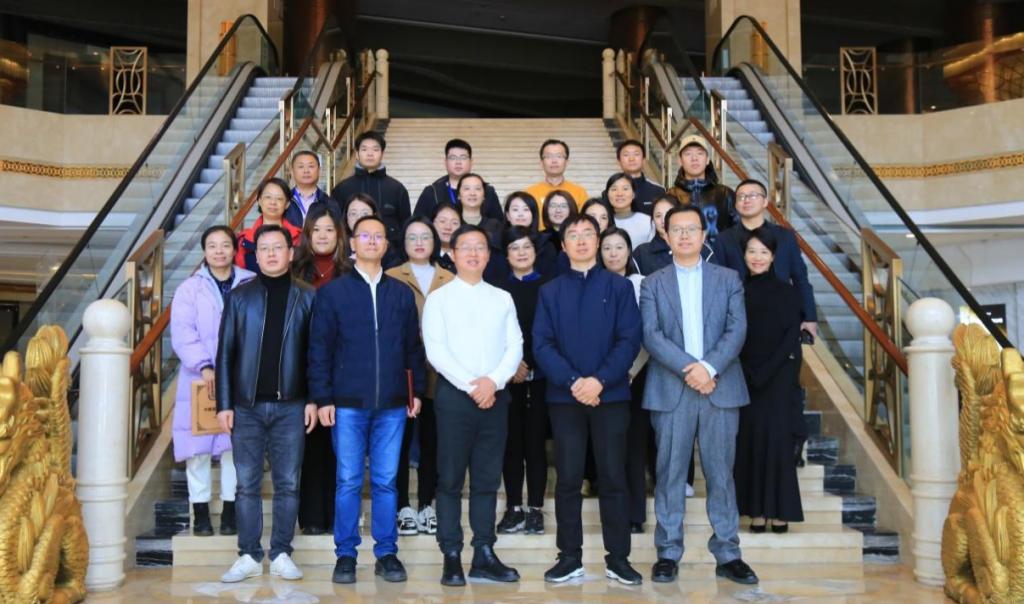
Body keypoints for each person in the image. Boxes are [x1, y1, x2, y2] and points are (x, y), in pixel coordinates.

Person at [640, 206, 757, 585]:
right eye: (677, 229)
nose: (685, 235)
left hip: (719, 387)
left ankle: (728, 552)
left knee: (721, 474)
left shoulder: (728, 278)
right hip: (672, 389)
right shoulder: (652, 283)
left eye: (692, 229)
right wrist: (691, 369)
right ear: (666, 235)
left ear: (705, 234)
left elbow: (737, 329)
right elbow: (651, 335)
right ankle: (668, 552)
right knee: (669, 473)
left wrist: (709, 368)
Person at [308, 215, 427, 585]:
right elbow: (319, 350)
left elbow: (412, 348)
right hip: (346, 405)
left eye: (379, 236)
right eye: (365, 236)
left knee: (386, 481)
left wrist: (415, 392)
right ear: (353, 244)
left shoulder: (400, 294)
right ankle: (345, 554)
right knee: (347, 480)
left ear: (386, 245)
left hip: (393, 404)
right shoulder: (333, 293)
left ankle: (386, 553)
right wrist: (323, 398)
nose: (372, 241)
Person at [533, 214, 643, 585]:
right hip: (564, 400)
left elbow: (629, 340)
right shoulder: (550, 291)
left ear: (597, 241)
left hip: (610, 397)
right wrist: (574, 382)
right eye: (573, 235)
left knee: (613, 477)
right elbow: (542, 345)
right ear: (563, 245)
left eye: (587, 234)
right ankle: (569, 557)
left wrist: (598, 381)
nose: (580, 241)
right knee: (567, 479)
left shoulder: (619, 287)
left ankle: (619, 559)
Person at [422, 225, 524, 587]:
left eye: (480, 247)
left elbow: (515, 345)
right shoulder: (439, 299)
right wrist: (472, 385)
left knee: (486, 479)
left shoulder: (502, 298)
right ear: (452, 253)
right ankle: (451, 554)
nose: (473, 253)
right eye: (466, 247)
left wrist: (492, 382)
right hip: (454, 398)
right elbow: (436, 351)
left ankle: (484, 553)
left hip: (495, 397)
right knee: (450, 479)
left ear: (489, 255)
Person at [216, 224, 317, 584]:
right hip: (246, 407)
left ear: (290, 253)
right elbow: (225, 354)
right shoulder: (239, 298)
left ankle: (281, 553)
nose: (271, 254)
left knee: (288, 482)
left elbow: (316, 354)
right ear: (255, 256)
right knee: (246, 484)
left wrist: (314, 399)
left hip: (292, 405)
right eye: (264, 248)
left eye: (278, 247)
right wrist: (224, 404)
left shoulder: (308, 296)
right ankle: (248, 554)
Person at [171, 226, 255, 538]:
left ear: (235, 249)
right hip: (198, 379)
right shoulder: (189, 288)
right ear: (204, 251)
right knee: (198, 451)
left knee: (235, 447)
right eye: (212, 246)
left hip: (240, 378)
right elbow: (183, 332)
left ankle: (231, 511)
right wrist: (205, 366)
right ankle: (201, 513)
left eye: (225, 245)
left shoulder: (250, 282)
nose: (219, 251)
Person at [386, 217, 456, 537]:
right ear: (403, 243)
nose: (418, 243)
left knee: (433, 442)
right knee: (399, 443)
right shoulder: (391, 276)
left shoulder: (450, 279)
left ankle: (428, 504)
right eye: (412, 237)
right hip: (402, 373)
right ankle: (402, 505)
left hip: (441, 374)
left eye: (425, 237)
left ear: (435, 242)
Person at [733, 226, 805, 534]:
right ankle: (756, 511)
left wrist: (765, 371)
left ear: (773, 256)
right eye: (752, 251)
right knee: (750, 442)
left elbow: (791, 336)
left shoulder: (787, 291)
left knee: (777, 442)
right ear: (744, 255)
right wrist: (747, 370)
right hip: (744, 376)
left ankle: (779, 511)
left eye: (763, 252)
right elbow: (732, 333)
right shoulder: (737, 291)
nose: (757, 257)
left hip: (778, 378)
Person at [291, 205, 350, 535]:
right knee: (311, 447)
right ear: (307, 235)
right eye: (317, 230)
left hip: (342, 369)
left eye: (329, 229)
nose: (323, 236)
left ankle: (338, 515)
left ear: (339, 235)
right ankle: (313, 517)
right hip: (302, 367)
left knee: (340, 448)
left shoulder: (349, 273)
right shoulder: (295, 273)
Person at [712, 178, 818, 339]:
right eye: (741, 197)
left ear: (765, 202)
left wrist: (809, 317)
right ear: (735, 204)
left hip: (781, 317)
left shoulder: (785, 237)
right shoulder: (724, 239)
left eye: (753, 195)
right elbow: (718, 285)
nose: (746, 200)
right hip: (740, 320)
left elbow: (800, 279)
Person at [496, 226, 550, 536]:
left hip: (542, 378)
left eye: (526, 247)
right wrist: (512, 365)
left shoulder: (549, 287)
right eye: (514, 248)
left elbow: (550, 333)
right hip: (507, 379)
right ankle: (514, 507)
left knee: (536, 445)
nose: (521, 253)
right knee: (511, 445)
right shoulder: (498, 291)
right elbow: (493, 335)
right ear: (506, 255)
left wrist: (531, 363)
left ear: (534, 252)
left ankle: (536, 509)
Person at [599, 227, 651, 533]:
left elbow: (647, 331)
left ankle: (635, 515)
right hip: (603, 378)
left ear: (629, 251)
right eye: (607, 247)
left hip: (637, 375)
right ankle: (613, 513)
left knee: (634, 446)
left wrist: (629, 369)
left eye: (619, 247)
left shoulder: (642, 283)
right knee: (609, 448)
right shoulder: (595, 283)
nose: (613, 253)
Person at [330, 131, 410, 248]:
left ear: (382, 154)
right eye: (364, 149)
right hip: (350, 254)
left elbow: (406, 226)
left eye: (375, 150)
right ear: (357, 154)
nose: (370, 154)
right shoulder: (342, 189)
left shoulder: (397, 189)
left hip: (389, 254)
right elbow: (335, 225)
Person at [665, 135, 736, 244]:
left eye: (700, 153)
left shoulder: (724, 194)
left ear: (707, 159)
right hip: (684, 252)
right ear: (680, 161)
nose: (694, 158)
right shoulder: (671, 195)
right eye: (688, 154)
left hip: (719, 254)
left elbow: (737, 229)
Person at [413, 138, 503, 220]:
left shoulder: (487, 191)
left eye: (463, 157)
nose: (458, 162)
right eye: (453, 158)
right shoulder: (432, 192)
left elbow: (498, 225)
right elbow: (418, 223)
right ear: (445, 162)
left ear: (471, 162)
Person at [235, 178, 303, 273]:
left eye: (279, 198)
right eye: (268, 197)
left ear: (287, 204)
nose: (273, 202)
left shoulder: (300, 238)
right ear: (259, 201)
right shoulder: (243, 240)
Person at [526, 139, 589, 228]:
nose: (554, 161)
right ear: (541, 163)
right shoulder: (530, 193)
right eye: (548, 156)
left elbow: (585, 222)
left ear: (567, 162)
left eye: (559, 156)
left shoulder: (580, 192)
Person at [602, 139, 666, 214]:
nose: (631, 159)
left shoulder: (658, 191)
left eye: (636, 154)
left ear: (644, 160)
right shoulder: (609, 193)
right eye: (626, 155)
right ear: (619, 162)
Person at [505, 191, 559, 276]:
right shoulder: (498, 243)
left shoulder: (546, 245)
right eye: (515, 209)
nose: (520, 214)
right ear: (508, 216)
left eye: (526, 209)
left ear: (533, 214)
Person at [284, 150, 338, 227]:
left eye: (311, 166)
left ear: (319, 170)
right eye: (301, 167)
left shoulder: (329, 202)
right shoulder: (284, 201)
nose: (306, 171)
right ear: (292, 171)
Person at [633, 195, 681, 276]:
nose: (663, 220)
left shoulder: (697, 247)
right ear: (653, 220)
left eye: (669, 213)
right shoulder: (641, 253)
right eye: (658, 216)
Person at [606, 172, 654, 247]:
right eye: (614, 189)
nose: (619, 194)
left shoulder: (647, 222)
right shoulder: (603, 222)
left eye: (625, 189)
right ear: (607, 194)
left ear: (633, 194)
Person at [431, 203, 462, 274]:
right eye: (442, 221)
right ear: (432, 224)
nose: (448, 227)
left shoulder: (467, 258)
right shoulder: (424, 257)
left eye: (454, 223)